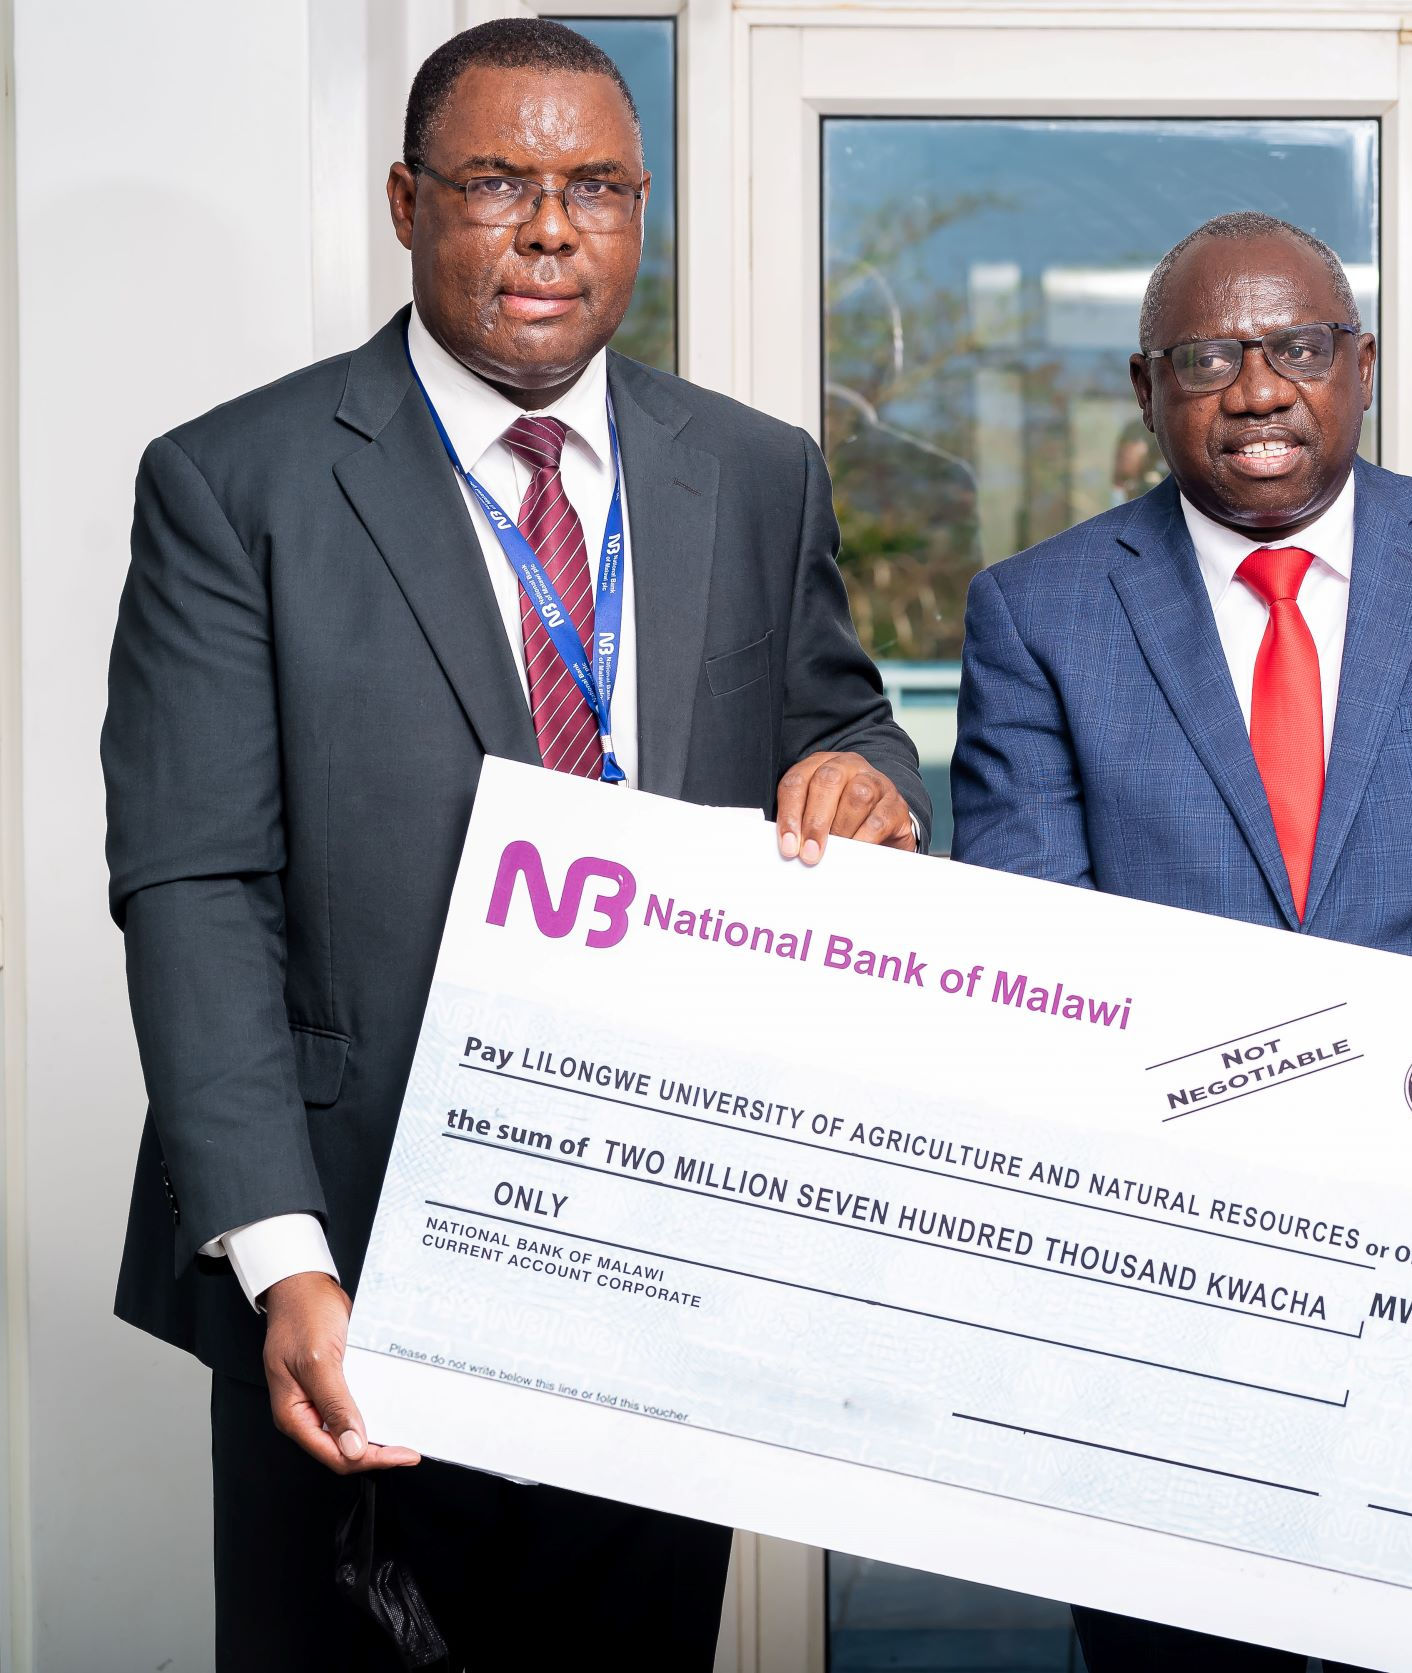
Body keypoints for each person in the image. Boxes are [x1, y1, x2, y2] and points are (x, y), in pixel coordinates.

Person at [103, 20, 924, 1670]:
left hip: (665, 1248)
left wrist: (866, 778)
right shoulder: (236, 482)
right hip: (353, 1259)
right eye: (497, 183)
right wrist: (283, 1262)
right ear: (408, 203)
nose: (551, 229)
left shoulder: (754, 472)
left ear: (639, 212)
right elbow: (195, 887)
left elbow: (843, 723)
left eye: (595, 188)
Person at [950, 210, 1412, 1672]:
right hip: (1170, 1307)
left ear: (1364, 367)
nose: (1260, 388)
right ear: (1148, 390)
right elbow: (1029, 945)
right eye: (1209, 357)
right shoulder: (1039, 614)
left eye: (1300, 348)